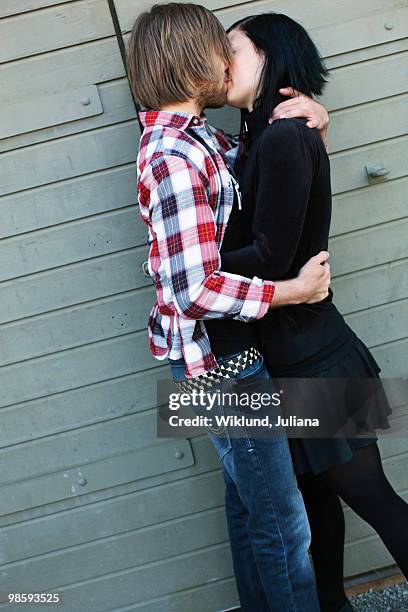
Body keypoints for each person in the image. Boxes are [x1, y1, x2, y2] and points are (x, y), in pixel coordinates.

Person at [127, 4, 332, 610]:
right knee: (284, 526)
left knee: (251, 511)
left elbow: (265, 162)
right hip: (214, 364)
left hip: (222, 357)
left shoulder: (199, 140)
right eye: (221, 49)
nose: (227, 61)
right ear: (193, 61)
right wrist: (288, 292)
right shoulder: (171, 155)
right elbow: (193, 289)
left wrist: (316, 122)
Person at [218, 12, 408, 612]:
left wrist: (198, 264)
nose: (221, 64)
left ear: (271, 59)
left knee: (370, 495)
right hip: (287, 357)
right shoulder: (260, 135)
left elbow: (273, 256)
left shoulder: (282, 137)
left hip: (314, 359)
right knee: (314, 503)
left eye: (234, 52)